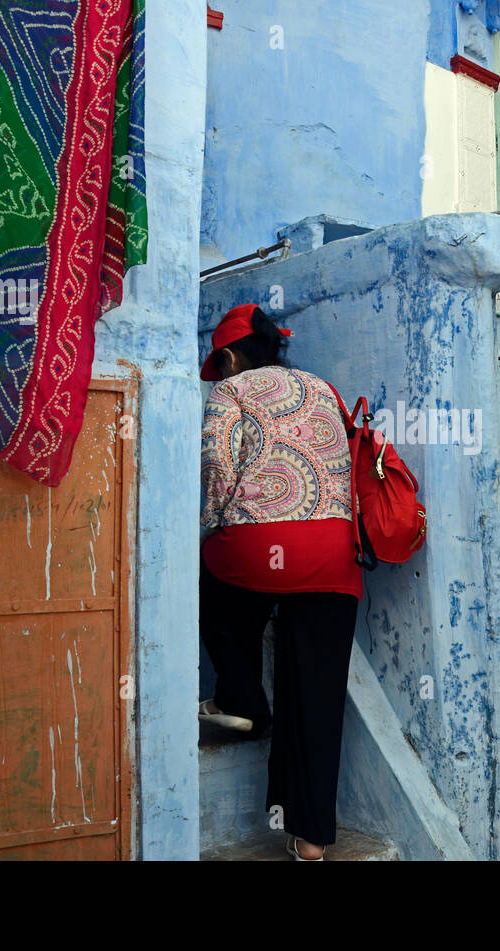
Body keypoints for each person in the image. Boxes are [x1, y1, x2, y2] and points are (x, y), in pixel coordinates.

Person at [198, 303, 362, 861]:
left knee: (214, 582)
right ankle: (311, 839)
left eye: (218, 366)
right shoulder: (324, 387)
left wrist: (213, 530)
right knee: (316, 695)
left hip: (257, 550)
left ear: (228, 357)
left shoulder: (230, 392)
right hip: (335, 554)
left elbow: (217, 469)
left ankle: (243, 700)